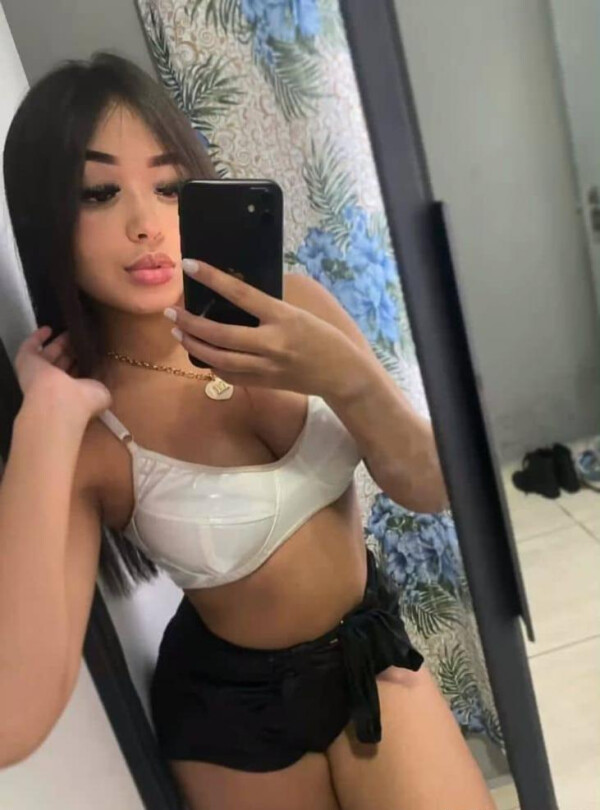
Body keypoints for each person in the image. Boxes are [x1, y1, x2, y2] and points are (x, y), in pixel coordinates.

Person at [0, 52, 495, 809]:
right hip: (230, 720)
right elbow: (14, 718)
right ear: (47, 221)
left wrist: (345, 375)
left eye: (169, 186)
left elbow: (431, 488)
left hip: (367, 650)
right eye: (99, 193)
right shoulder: (91, 431)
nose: (146, 223)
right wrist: (45, 414)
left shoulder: (295, 305)